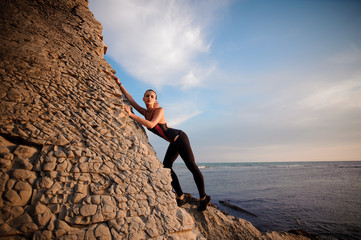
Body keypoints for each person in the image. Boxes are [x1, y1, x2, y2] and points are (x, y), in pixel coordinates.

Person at [111, 75, 211, 211]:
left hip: (179, 138)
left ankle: (204, 198)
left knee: (192, 167)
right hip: (172, 142)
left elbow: (152, 125)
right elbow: (131, 101)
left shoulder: (159, 110)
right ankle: (181, 196)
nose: (149, 98)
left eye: (152, 96)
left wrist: (132, 115)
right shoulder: (146, 112)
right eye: (147, 96)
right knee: (167, 167)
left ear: (155, 100)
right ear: (144, 98)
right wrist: (119, 83)